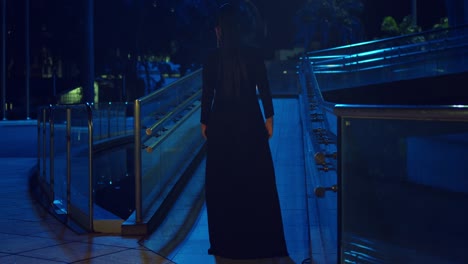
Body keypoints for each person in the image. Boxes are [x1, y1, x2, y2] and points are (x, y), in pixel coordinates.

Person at [200, 3, 289, 260]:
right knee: (257, 183)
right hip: (251, 124)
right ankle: (262, 240)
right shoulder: (253, 54)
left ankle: (226, 242)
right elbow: (265, 89)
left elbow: (207, 96)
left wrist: (205, 123)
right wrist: (269, 117)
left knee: (222, 187)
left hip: (221, 126)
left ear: (220, 30)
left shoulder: (212, 59)